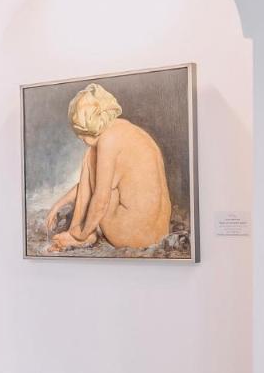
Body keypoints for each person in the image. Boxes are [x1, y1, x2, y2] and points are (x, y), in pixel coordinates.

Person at [43, 83, 171, 251]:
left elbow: (101, 198)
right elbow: (94, 183)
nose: (81, 138)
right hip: (160, 232)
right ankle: (79, 231)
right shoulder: (127, 130)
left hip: (132, 236)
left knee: (89, 156)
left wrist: (83, 233)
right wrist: (59, 203)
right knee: (93, 160)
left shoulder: (107, 141)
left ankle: (79, 234)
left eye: (81, 133)